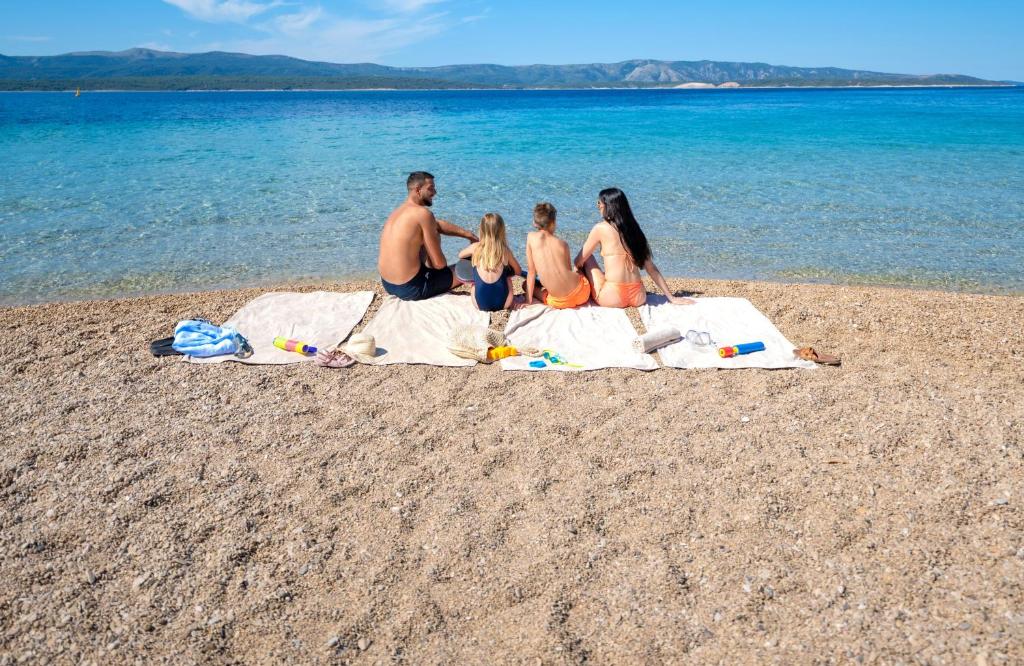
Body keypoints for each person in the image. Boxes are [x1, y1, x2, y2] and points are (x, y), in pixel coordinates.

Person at [574, 187, 695, 307]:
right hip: (638, 296)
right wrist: (671, 298)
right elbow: (651, 268)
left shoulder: (600, 228)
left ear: (608, 206)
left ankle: (575, 293)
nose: (598, 205)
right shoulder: (634, 230)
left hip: (613, 297)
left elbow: (579, 260)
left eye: (599, 202)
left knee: (587, 258)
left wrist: (576, 270)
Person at [378, 171, 478, 301]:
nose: (435, 192)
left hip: (388, 284)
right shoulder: (424, 214)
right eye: (431, 188)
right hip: (411, 289)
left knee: (429, 231)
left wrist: (469, 235)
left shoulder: (398, 211)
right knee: (474, 266)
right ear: (418, 190)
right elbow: (440, 264)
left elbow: (436, 224)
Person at [525, 202, 592, 309]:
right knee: (579, 269)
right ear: (553, 222)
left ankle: (543, 295)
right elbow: (567, 270)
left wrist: (528, 301)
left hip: (559, 302)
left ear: (534, 222)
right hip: (582, 295)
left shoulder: (530, 238)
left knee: (525, 285)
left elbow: (531, 272)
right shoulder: (563, 244)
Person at [458, 213, 523, 311]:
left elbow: (460, 255)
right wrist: (506, 273)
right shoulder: (505, 251)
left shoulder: (475, 247)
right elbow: (518, 271)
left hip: (479, 304)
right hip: (504, 304)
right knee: (508, 279)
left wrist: (474, 256)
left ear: (481, 230)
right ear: (502, 231)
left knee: (474, 284)